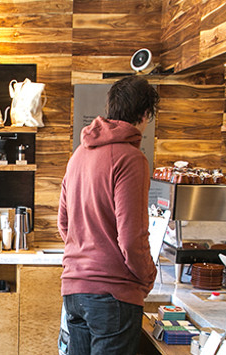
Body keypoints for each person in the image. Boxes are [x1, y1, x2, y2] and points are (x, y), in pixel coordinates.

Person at [57, 76, 158, 354]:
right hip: (112, 294)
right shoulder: (131, 159)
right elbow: (131, 237)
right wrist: (148, 275)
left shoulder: (79, 154)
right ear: (145, 113)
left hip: (74, 290)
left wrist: (86, 251)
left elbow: (63, 224)